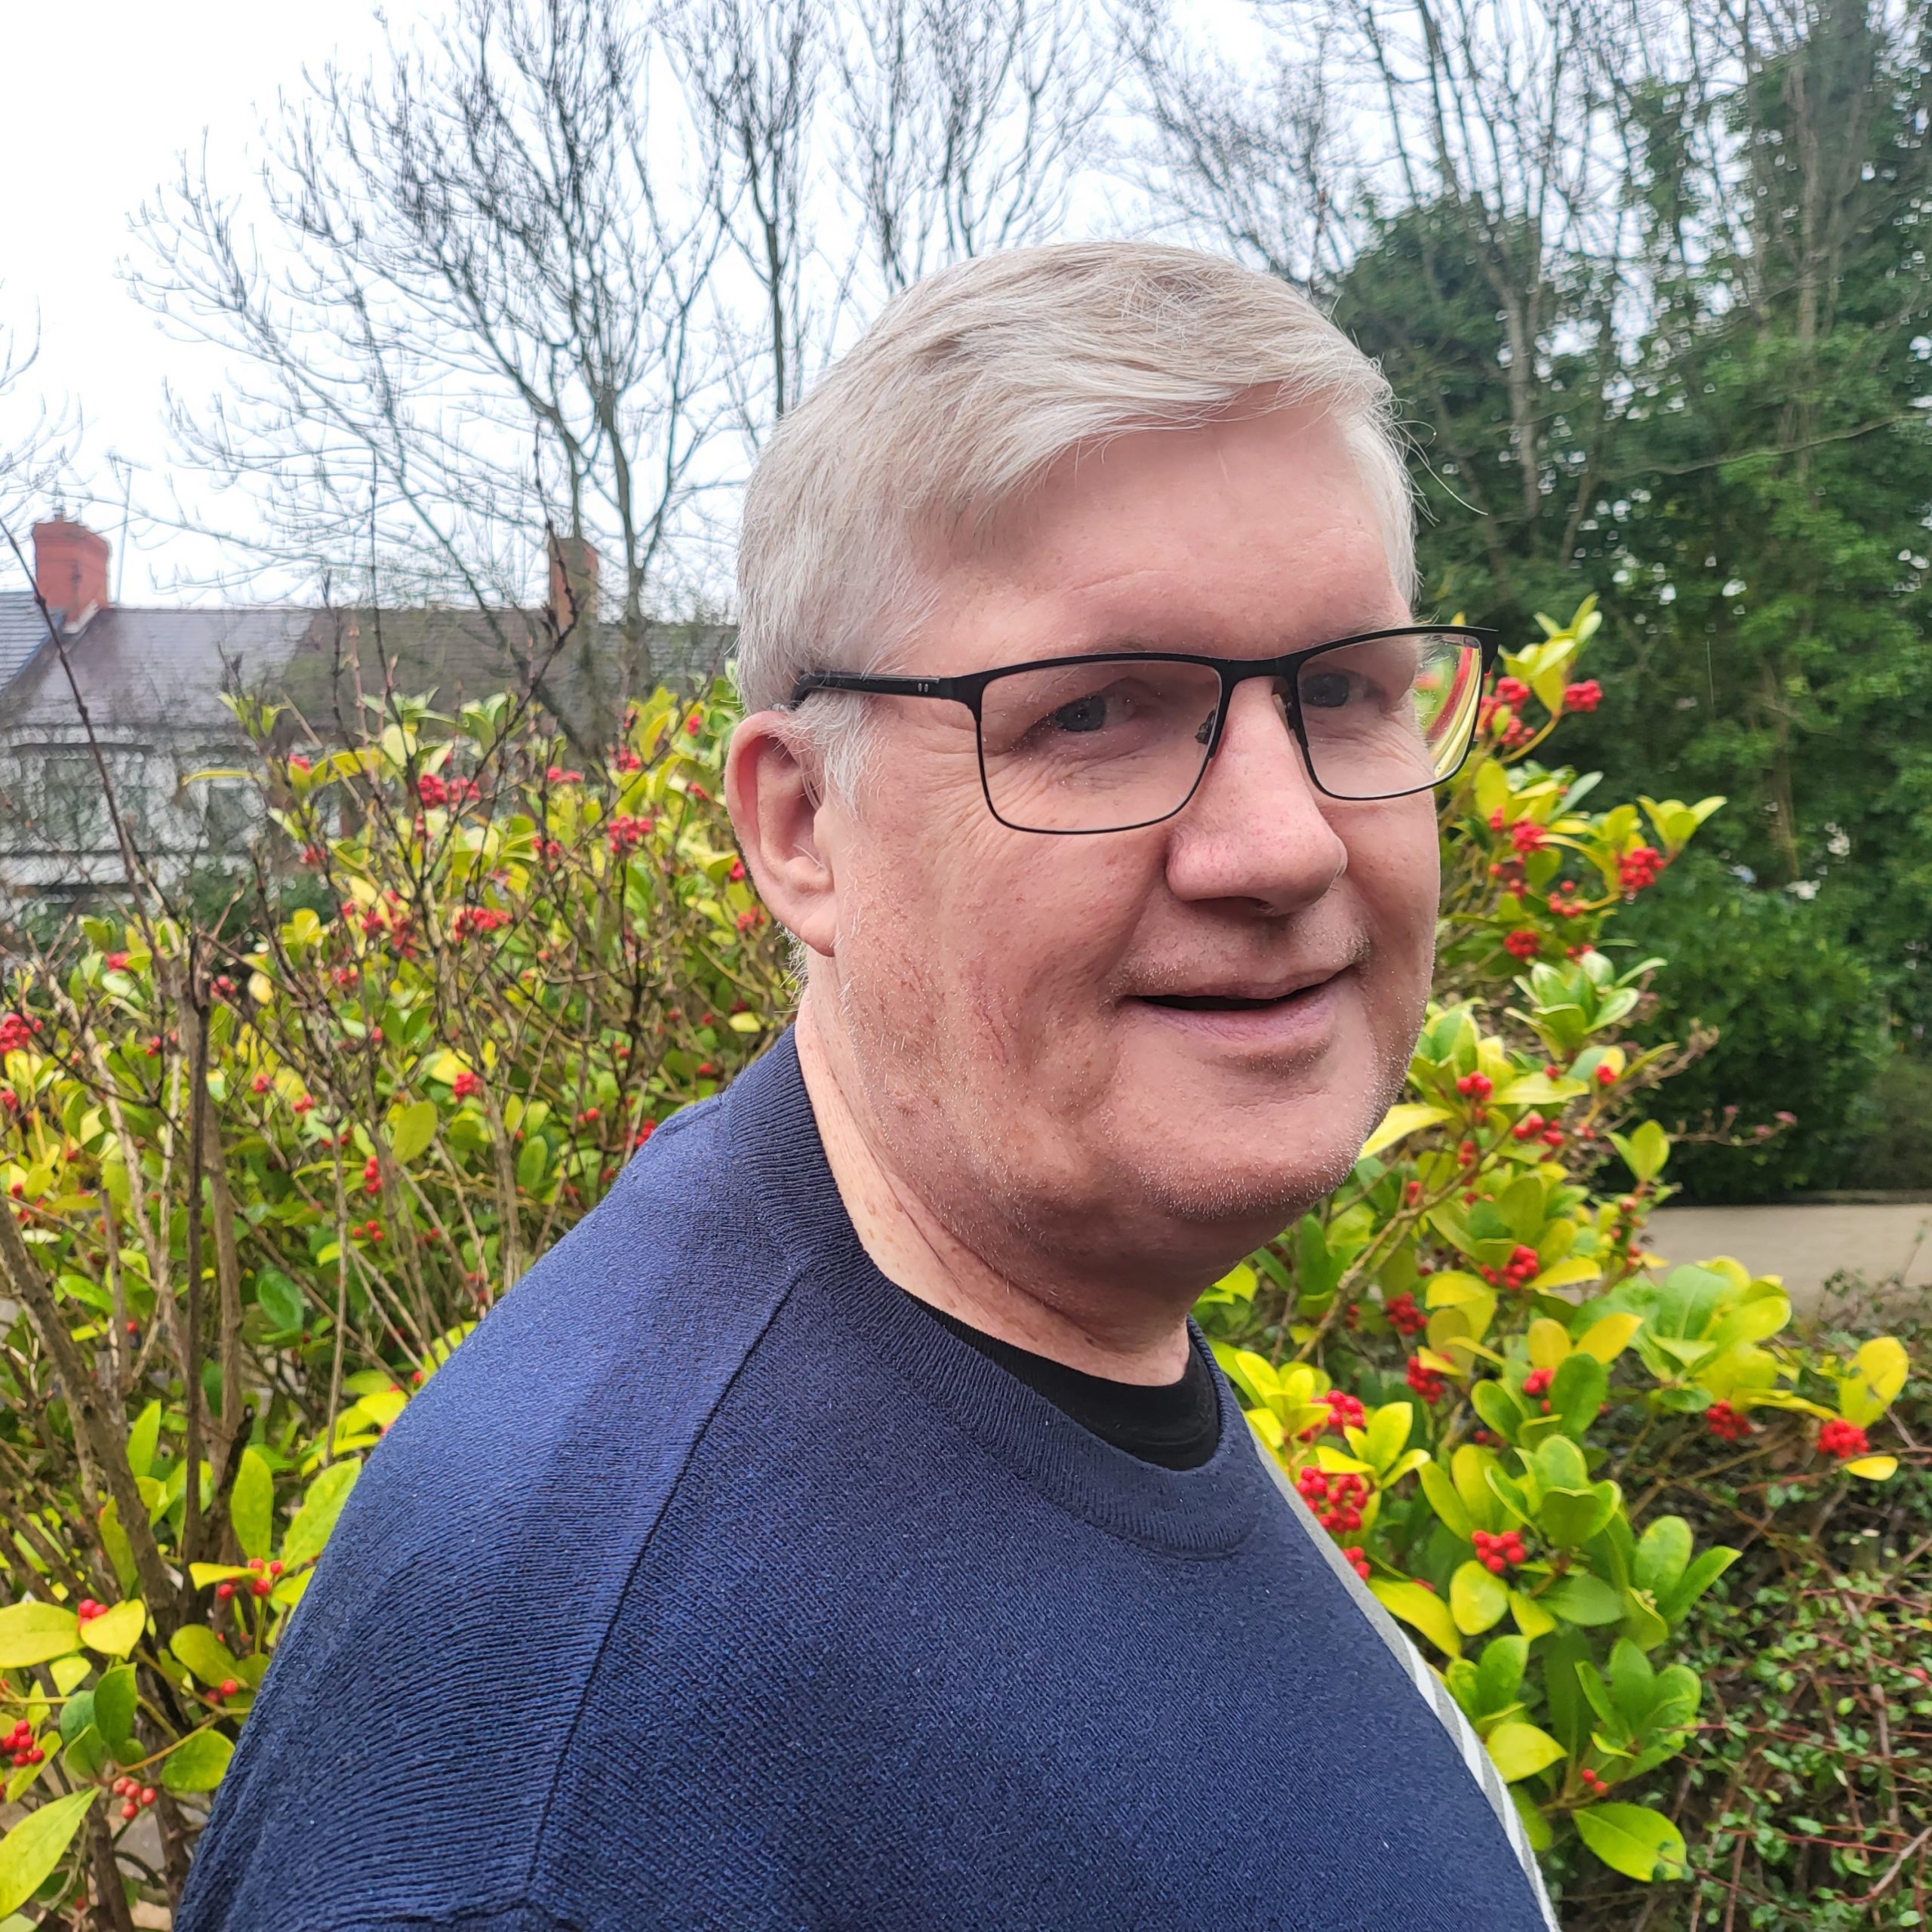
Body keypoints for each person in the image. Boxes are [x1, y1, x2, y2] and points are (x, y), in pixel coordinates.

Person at [179, 242, 1557, 1931]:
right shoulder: (562, 1791)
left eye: (1341, 689)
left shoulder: (1066, 1315)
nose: (1280, 841)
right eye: (1099, 712)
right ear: (799, 831)